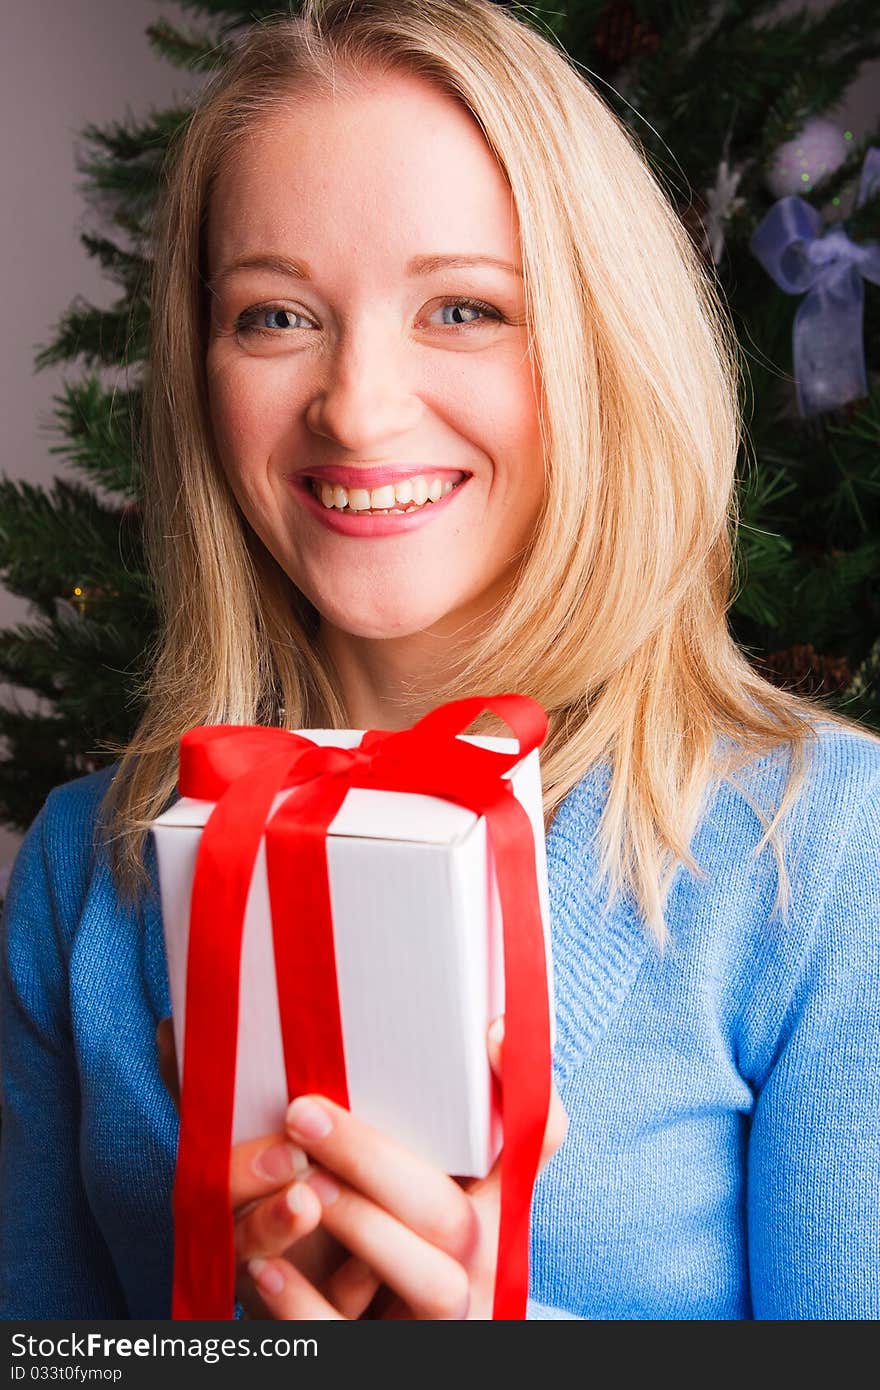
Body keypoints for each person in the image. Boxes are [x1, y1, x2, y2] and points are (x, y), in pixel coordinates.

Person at [1, 0, 878, 1321]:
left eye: (464, 307)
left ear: (605, 349)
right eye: (275, 316)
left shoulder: (819, 852)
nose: (356, 405)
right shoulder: (85, 869)